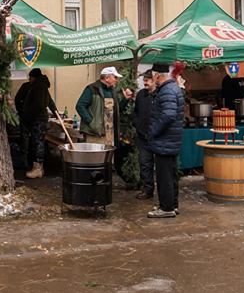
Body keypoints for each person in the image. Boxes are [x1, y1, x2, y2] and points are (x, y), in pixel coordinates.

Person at [146, 62, 184, 219]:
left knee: (164, 176)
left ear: (157, 75)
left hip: (164, 140)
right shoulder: (173, 88)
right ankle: (172, 205)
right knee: (171, 174)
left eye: (152, 75)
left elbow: (168, 115)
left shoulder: (167, 90)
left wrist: (154, 131)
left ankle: (166, 208)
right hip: (170, 140)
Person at [15, 68, 58, 179]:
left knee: (37, 142)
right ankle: (39, 167)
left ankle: (37, 168)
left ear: (34, 77)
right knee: (38, 141)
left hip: (36, 119)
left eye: (30, 77)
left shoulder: (38, 87)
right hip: (38, 118)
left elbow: (37, 106)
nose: (29, 79)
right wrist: (56, 113)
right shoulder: (41, 86)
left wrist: (25, 114)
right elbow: (50, 101)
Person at [75, 66, 133, 147]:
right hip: (94, 135)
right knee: (95, 155)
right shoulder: (92, 89)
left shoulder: (113, 91)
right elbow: (80, 106)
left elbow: (116, 110)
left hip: (109, 135)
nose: (117, 80)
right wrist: (92, 122)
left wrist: (125, 99)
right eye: (115, 77)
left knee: (108, 155)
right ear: (107, 78)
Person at [133, 71, 157, 200]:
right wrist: (137, 124)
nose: (145, 82)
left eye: (147, 80)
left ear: (154, 80)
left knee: (160, 166)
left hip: (157, 136)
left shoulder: (160, 95)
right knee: (144, 164)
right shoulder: (141, 94)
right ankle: (147, 190)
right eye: (144, 80)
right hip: (143, 136)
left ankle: (163, 191)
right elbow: (136, 112)